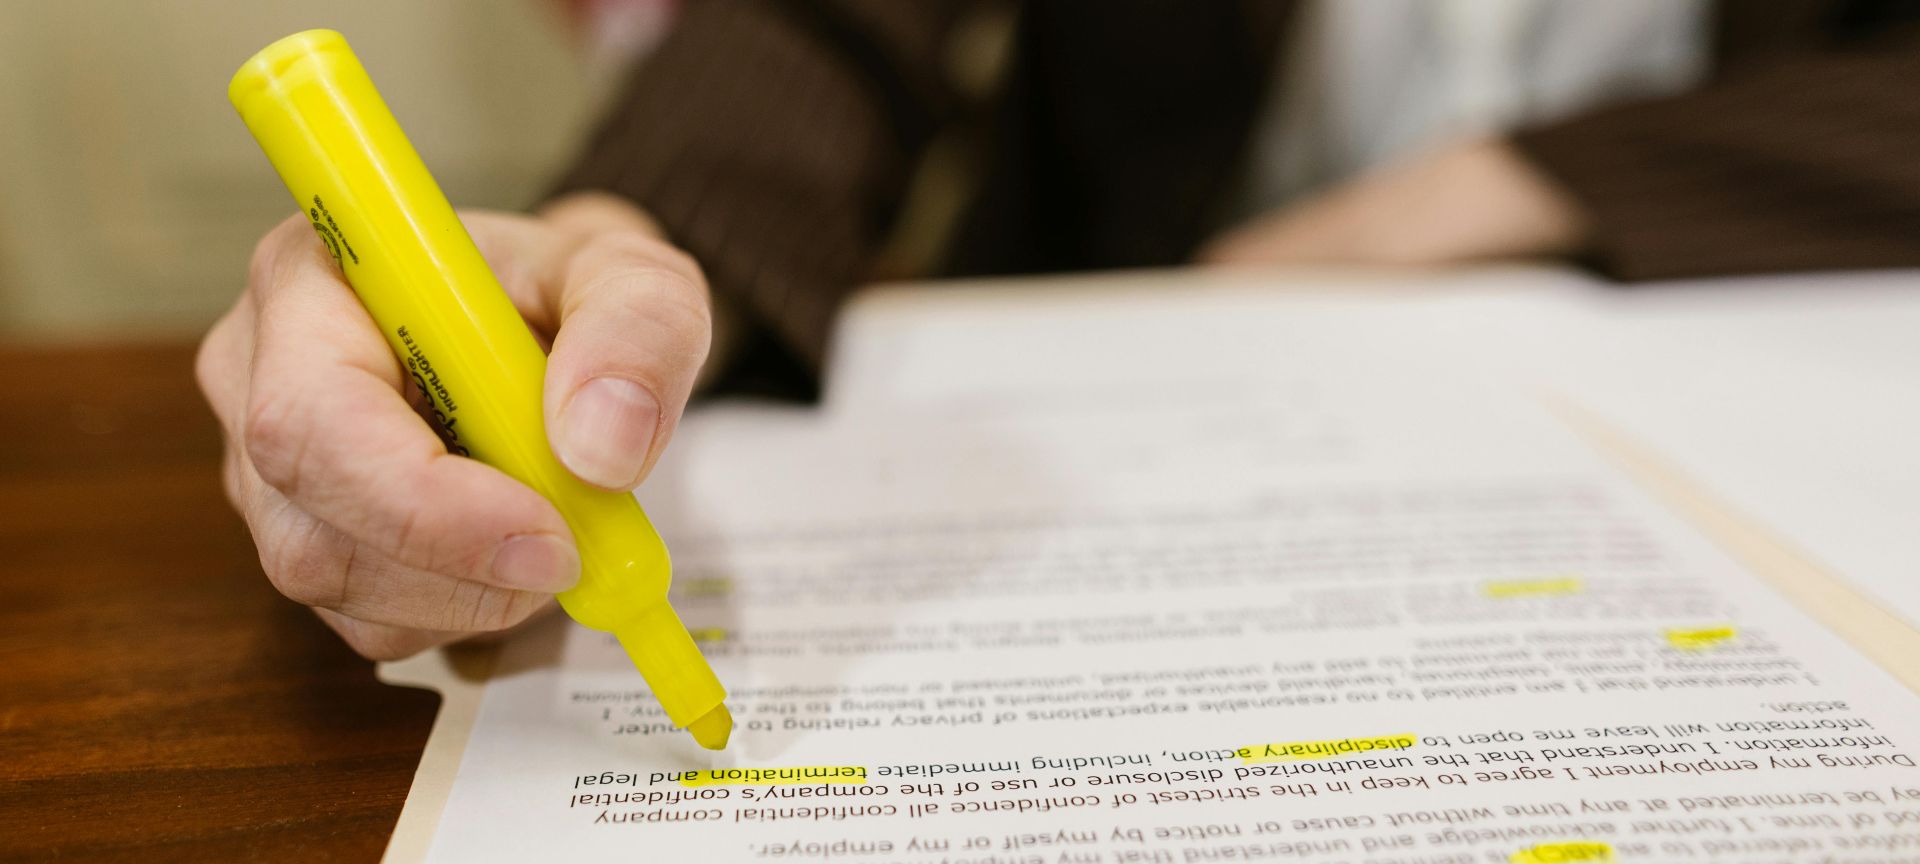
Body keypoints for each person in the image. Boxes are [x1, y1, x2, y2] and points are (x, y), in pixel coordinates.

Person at [195, 0, 1920, 661]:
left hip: (1736, 371)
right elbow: (820, 24)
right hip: (1105, 370)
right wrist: (616, 239)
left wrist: (1518, 179)